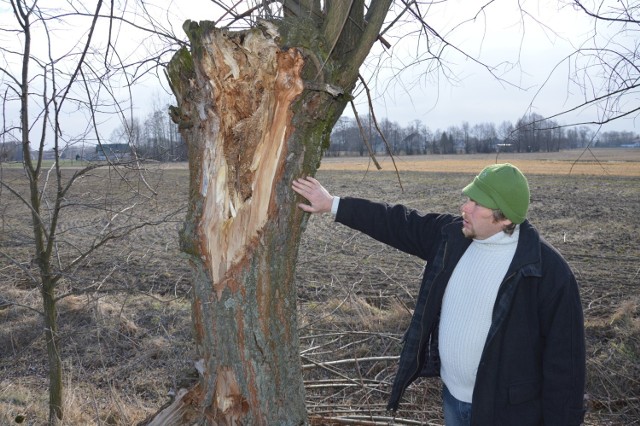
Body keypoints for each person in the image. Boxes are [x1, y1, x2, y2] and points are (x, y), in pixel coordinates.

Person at [292, 163, 586, 426]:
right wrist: (333, 204)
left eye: (476, 203)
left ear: (506, 218)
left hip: (508, 414)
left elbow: (566, 368)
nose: (465, 208)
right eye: (468, 198)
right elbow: (397, 222)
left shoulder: (547, 273)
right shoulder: (451, 237)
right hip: (453, 402)